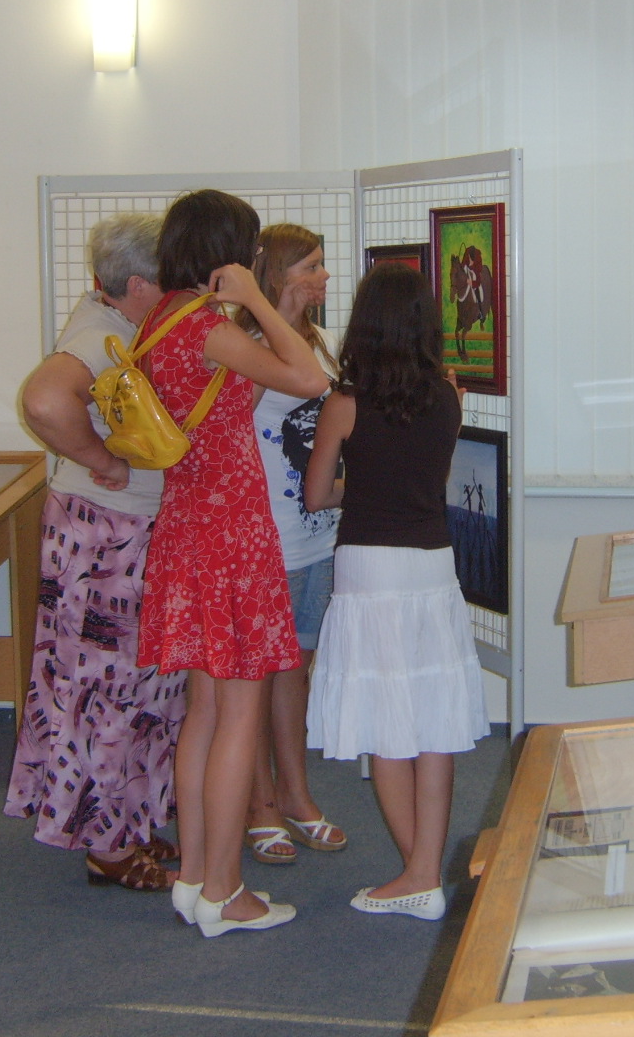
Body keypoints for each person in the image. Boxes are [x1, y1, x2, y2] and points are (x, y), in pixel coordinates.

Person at [136, 190, 329, 937]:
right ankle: (224, 891)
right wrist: (255, 300)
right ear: (227, 250)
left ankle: (194, 878)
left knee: (205, 713)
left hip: (187, 528)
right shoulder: (209, 328)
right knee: (238, 713)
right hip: (231, 534)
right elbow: (309, 377)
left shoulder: (162, 317)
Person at [3, 212, 186, 892]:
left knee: (137, 684)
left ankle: (127, 819)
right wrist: (101, 460)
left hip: (120, 532)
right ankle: (106, 843)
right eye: (167, 276)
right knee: (105, 690)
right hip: (105, 536)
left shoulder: (117, 323)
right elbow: (44, 400)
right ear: (138, 284)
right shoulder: (98, 336)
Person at [302, 263, 491, 921]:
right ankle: (423, 873)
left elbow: (317, 494)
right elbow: (425, 473)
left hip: (369, 570)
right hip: (433, 567)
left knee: (387, 726)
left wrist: (362, 486)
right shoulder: (448, 396)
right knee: (434, 723)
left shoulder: (344, 404)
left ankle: (419, 875)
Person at [237, 224, 347, 865]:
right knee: (253, 678)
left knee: (294, 672)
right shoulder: (251, 348)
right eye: (312, 265)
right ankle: (260, 806)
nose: (324, 276)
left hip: (317, 537)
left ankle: (297, 796)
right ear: (278, 275)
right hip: (264, 540)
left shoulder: (319, 344)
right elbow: (226, 434)